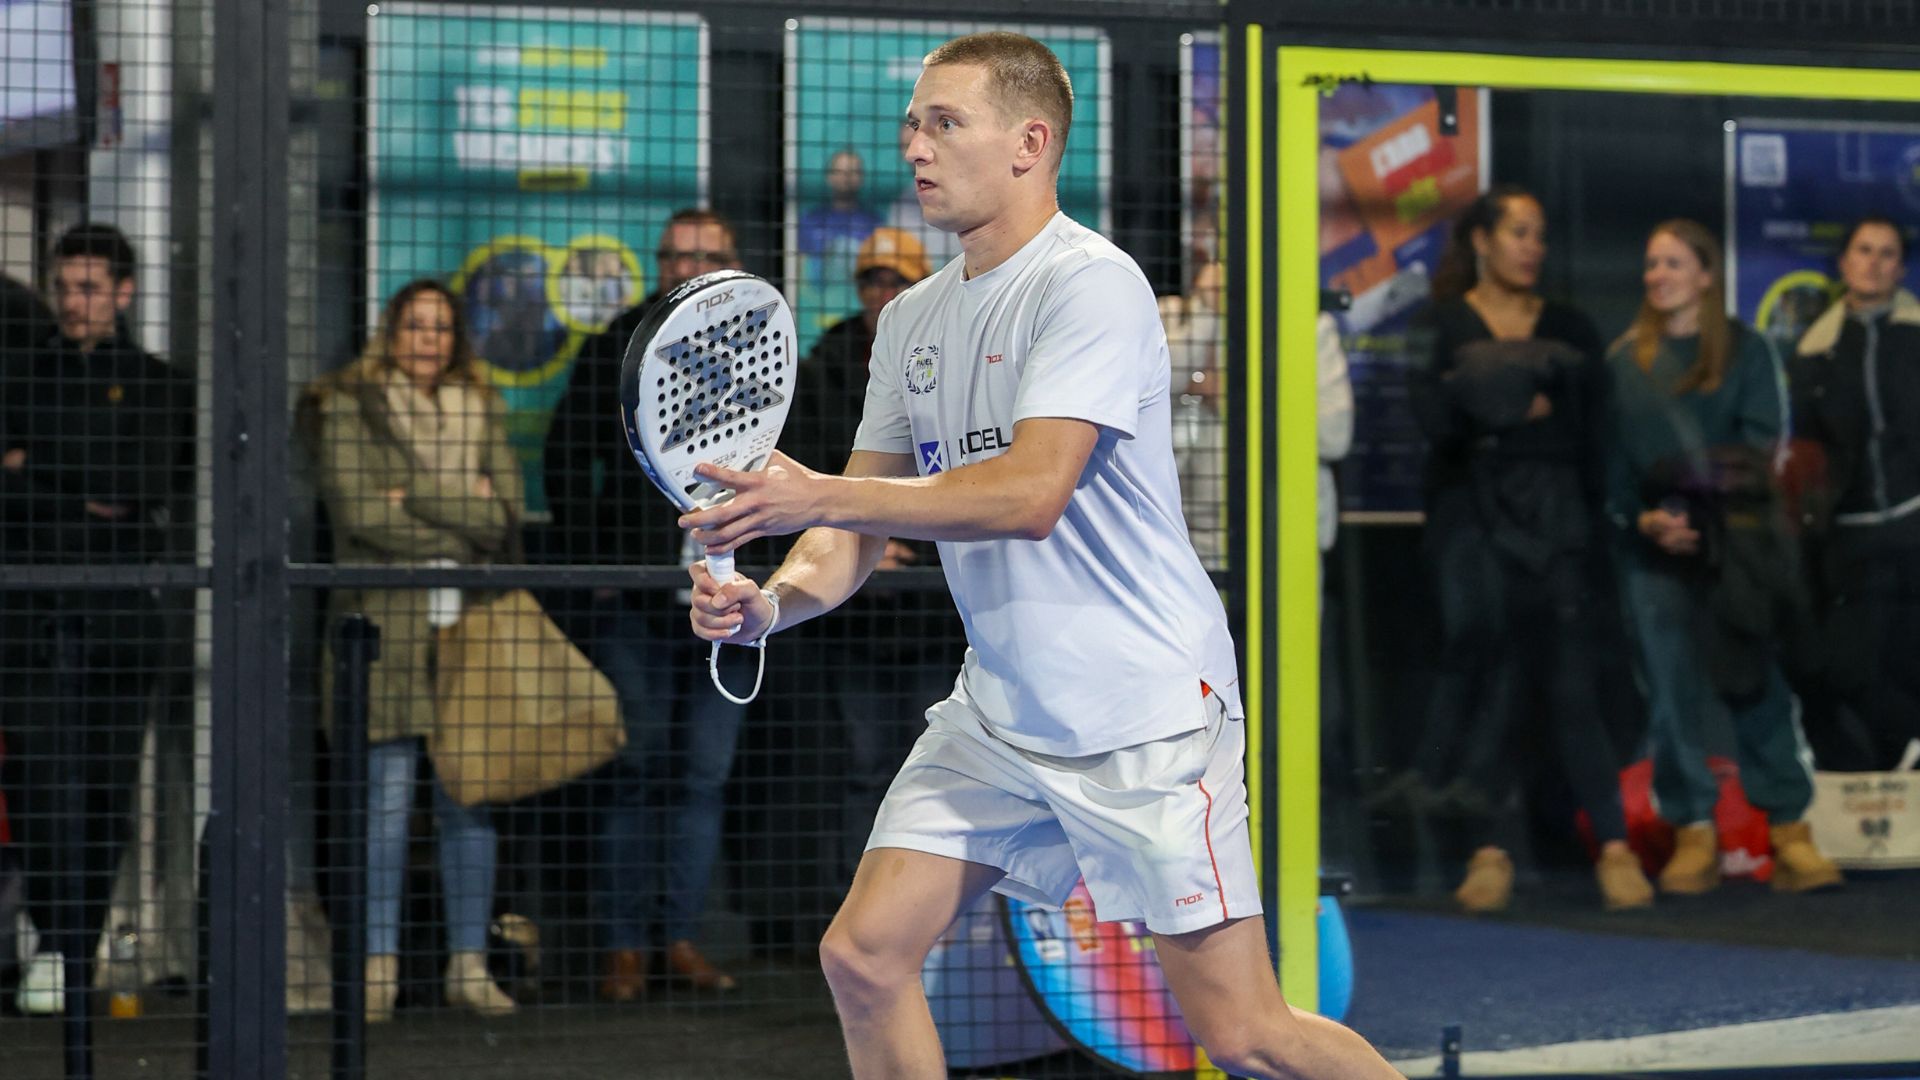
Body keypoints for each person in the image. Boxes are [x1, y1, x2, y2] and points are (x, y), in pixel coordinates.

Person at [680, 33, 1400, 1079]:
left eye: (943, 123)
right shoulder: (915, 319)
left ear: (1031, 143)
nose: (914, 147)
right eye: (912, 125)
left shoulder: (1090, 285)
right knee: (865, 957)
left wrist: (814, 491)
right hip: (1003, 713)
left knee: (1247, 1035)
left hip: (1144, 714)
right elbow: (853, 533)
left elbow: (1028, 495)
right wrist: (772, 604)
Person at [1380, 185, 1651, 913]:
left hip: (1563, 529)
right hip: (1474, 528)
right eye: (1519, 232)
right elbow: (1438, 423)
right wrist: (1525, 397)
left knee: (1571, 683)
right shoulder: (1440, 322)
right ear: (1482, 241)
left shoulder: (1571, 323)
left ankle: (1617, 848)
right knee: (1494, 680)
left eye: (1541, 234)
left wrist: (1490, 396)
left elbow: (1591, 429)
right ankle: (1489, 853)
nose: (1533, 246)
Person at [301, 278, 522, 1021]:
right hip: (381, 630)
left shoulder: (482, 403)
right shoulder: (345, 403)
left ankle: (468, 963)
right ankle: (377, 968)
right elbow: (359, 514)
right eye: (413, 325)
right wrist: (464, 509)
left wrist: (415, 495)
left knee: (469, 799)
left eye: (440, 327)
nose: (427, 339)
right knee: (384, 806)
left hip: (466, 627)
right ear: (389, 332)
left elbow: (508, 513)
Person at [543, 208, 746, 1001]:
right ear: (658, 264)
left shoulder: (759, 346)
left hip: (732, 603)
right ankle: (626, 945)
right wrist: (601, 559)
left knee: (704, 775)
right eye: (679, 256)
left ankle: (681, 937)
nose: (692, 267)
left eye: (710, 255)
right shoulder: (612, 350)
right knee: (638, 767)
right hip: (635, 600)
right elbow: (566, 462)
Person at [1606, 219, 1843, 896]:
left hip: (1736, 553)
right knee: (1670, 693)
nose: (1660, 276)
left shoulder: (1749, 351)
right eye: (1652, 264)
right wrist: (1646, 519)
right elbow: (1613, 471)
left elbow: (1762, 453)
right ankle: (1693, 833)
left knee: (1757, 685)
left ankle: (1789, 829)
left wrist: (1702, 520)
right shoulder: (1626, 365)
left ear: (1707, 274)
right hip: (1655, 554)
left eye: (1675, 263)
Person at [0, 224, 193, 1015]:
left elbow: (140, 485)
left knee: (106, 786)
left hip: (117, 619)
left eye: (89, 287)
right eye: (64, 285)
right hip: (29, 615)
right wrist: (81, 489)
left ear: (123, 291)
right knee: (40, 781)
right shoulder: (19, 376)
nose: (73, 302)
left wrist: (31, 470)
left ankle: (75, 945)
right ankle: (55, 938)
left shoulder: (157, 385)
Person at [783, 227, 964, 924]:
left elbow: (988, 485)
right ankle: (860, 914)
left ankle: (924, 929)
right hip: (857, 615)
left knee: (927, 772)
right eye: (870, 280)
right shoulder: (826, 365)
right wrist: (866, 526)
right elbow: (824, 484)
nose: (881, 292)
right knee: (863, 769)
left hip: (935, 614)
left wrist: (899, 521)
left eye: (895, 279)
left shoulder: (950, 354)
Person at [1787, 215, 1920, 771]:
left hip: (1916, 526)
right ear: (1843, 263)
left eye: (1887, 253)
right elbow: (1800, 451)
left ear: (1901, 267)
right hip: (1847, 537)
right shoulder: (1812, 351)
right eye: (1863, 250)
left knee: (1912, 662)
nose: (1874, 262)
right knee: (1841, 665)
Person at [1158, 261, 1227, 566]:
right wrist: (1206, 309)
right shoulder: (1170, 312)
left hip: (1237, 513)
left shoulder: (1293, 326)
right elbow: (1166, 376)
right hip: (1172, 514)